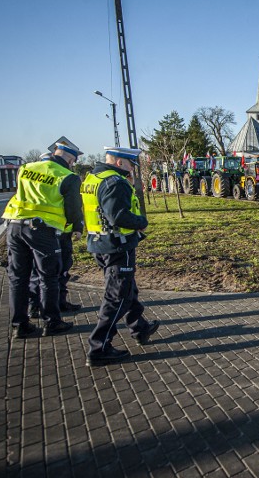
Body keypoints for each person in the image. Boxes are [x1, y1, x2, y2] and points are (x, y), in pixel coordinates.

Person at [82, 146, 158, 367]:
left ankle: (140, 328)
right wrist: (141, 222)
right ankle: (99, 347)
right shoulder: (115, 182)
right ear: (119, 163)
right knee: (118, 297)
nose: (133, 169)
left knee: (127, 288)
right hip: (117, 246)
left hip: (100, 243)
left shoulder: (93, 178)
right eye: (131, 164)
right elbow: (119, 216)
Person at [2, 141, 84, 338]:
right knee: (48, 276)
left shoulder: (26, 168)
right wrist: (76, 227)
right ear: (71, 159)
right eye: (73, 161)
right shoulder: (68, 176)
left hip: (14, 225)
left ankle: (20, 325)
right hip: (41, 230)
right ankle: (52, 322)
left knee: (18, 277)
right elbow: (73, 208)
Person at [28, 151, 82, 318]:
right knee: (50, 272)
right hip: (55, 230)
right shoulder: (64, 176)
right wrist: (77, 224)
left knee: (46, 271)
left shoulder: (30, 173)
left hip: (38, 230)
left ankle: (48, 304)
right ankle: (44, 307)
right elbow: (72, 206)